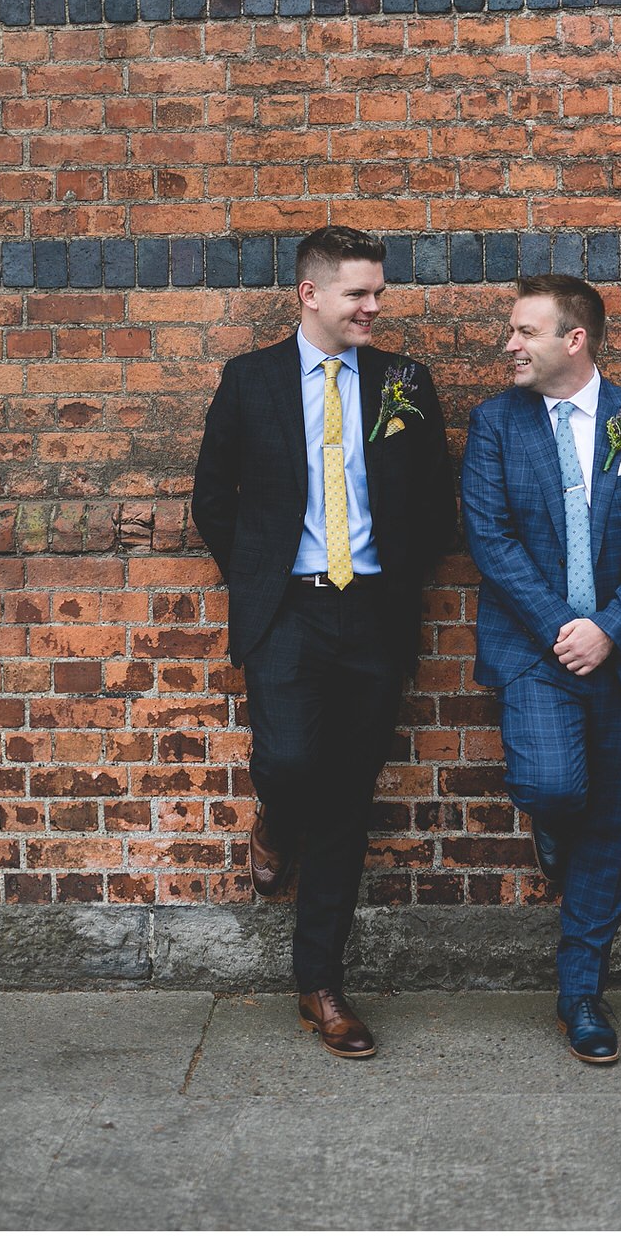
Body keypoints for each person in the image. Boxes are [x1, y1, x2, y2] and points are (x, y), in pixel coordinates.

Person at [192, 226, 454, 1058]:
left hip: (374, 613)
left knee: (347, 801)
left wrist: (399, 578)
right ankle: (275, 820)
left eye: (378, 292)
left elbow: (435, 502)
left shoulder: (404, 382)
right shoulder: (251, 380)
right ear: (310, 294)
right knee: (292, 764)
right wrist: (263, 576)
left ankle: (321, 987)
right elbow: (213, 496)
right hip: (289, 612)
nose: (374, 307)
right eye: (358, 294)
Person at [461, 274, 621, 1064]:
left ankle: (581, 993)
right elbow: (489, 538)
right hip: (535, 651)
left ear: (574, 340)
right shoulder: (494, 423)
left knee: (611, 834)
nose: (509, 345)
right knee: (556, 787)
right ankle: (552, 830)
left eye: (525, 332)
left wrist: (609, 630)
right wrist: (567, 629)